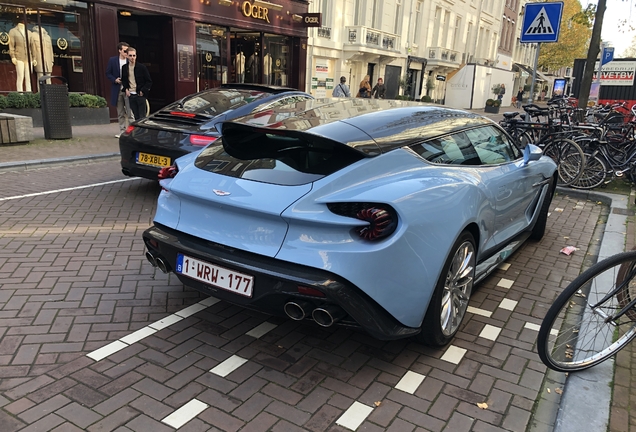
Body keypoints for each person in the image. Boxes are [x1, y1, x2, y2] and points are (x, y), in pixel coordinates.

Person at [106, 42, 134, 138]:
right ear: (119, 51)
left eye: (127, 50)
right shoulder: (113, 60)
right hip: (117, 89)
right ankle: (122, 131)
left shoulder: (130, 60)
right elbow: (108, 73)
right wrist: (115, 79)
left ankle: (131, 132)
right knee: (120, 112)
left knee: (130, 112)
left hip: (128, 89)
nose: (126, 52)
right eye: (124, 50)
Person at [121, 47, 152, 121]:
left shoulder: (142, 67)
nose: (132, 57)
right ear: (127, 56)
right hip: (131, 95)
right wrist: (126, 89)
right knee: (136, 116)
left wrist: (143, 90)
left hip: (140, 94)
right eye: (130, 55)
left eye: (134, 55)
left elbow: (149, 81)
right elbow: (124, 80)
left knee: (142, 117)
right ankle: (138, 132)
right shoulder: (124, 68)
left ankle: (143, 132)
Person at [9, 23, 35, 92]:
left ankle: (29, 93)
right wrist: (13, 56)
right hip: (19, 57)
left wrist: (34, 58)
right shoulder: (13, 31)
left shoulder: (29, 33)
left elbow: (32, 46)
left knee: (28, 77)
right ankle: (20, 94)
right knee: (20, 77)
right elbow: (11, 45)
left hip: (29, 58)